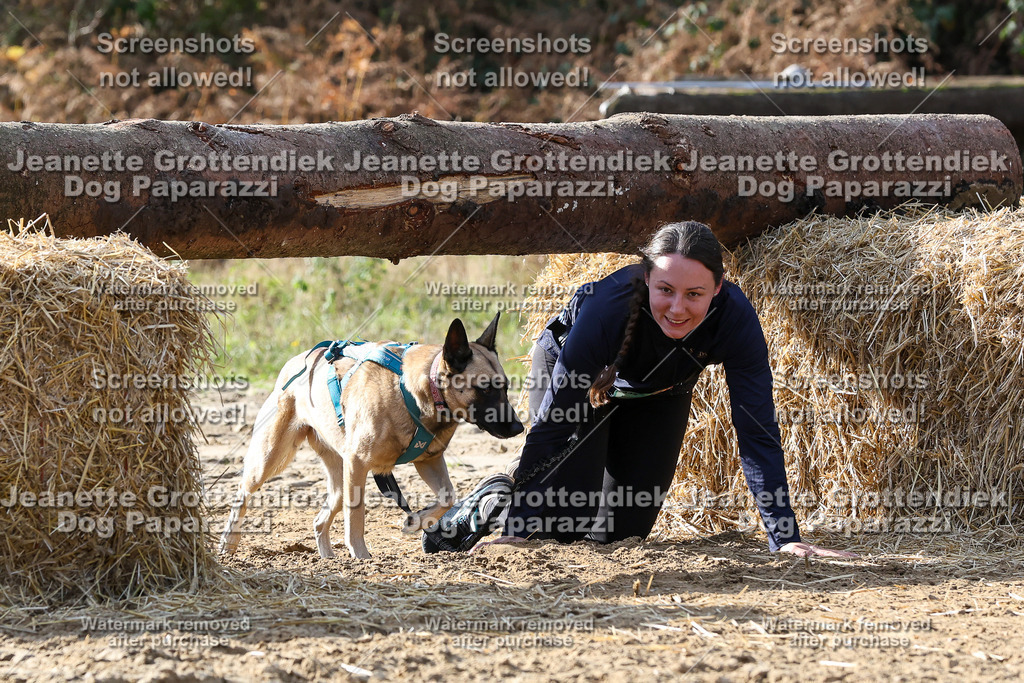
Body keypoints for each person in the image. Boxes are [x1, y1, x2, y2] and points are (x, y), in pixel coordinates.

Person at [424, 221, 856, 559]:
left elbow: (756, 429)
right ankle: (498, 499)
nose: (677, 307)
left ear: (718, 290)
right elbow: (553, 425)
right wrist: (518, 527)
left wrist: (784, 536)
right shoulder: (606, 310)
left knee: (621, 534)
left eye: (694, 294)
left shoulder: (737, 321)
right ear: (647, 278)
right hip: (577, 380)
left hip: (658, 393)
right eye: (665, 290)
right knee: (560, 526)